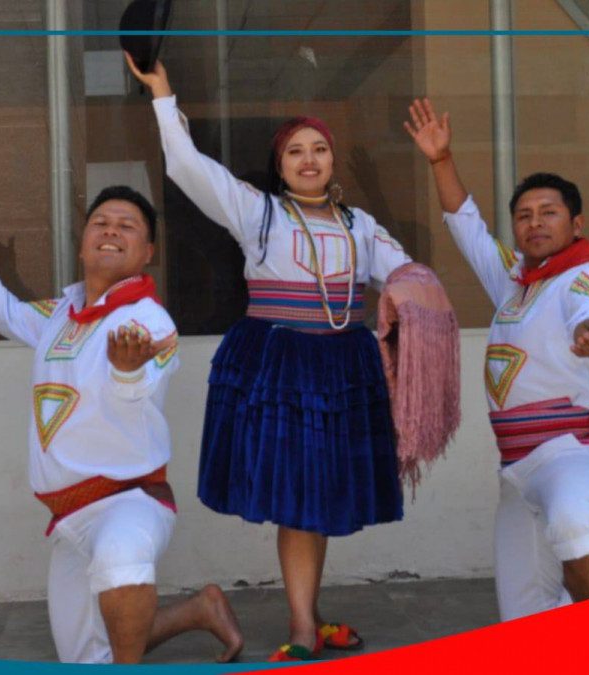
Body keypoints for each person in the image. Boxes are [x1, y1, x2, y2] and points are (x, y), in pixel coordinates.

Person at [128, 55, 414, 661]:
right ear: (279, 166)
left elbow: (409, 275)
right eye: (295, 152)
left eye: (319, 149)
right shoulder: (258, 213)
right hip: (283, 366)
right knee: (299, 499)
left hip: (342, 368)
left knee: (321, 499)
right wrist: (162, 94)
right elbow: (185, 165)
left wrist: (413, 300)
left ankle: (309, 613)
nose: (310, 159)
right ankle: (304, 625)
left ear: (332, 160)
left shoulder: (360, 225)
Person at [0, 186, 242, 664]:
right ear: (82, 241)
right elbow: (4, 310)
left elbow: (140, 388)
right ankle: (201, 610)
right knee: (84, 660)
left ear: (148, 253)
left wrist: (128, 369)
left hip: (128, 502)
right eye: (101, 222)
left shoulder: (150, 321)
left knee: (122, 564)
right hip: (68, 520)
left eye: (127, 225)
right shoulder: (59, 314)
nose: (111, 229)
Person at [404, 98, 589, 620]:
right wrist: (441, 160)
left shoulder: (585, 276)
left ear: (576, 223)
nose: (534, 223)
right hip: (516, 471)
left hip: (570, 450)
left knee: (577, 520)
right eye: (524, 216)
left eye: (548, 213)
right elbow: (466, 228)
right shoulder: (514, 281)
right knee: (525, 626)